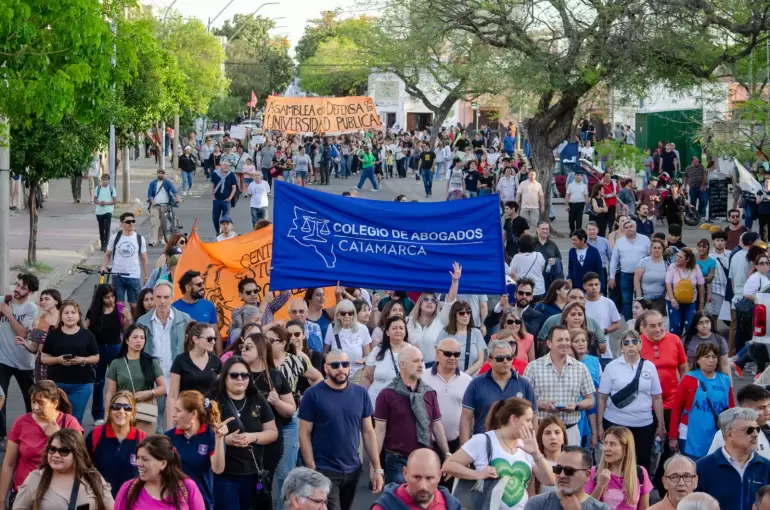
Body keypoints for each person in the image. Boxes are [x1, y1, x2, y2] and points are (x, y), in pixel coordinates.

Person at [298, 350, 384, 510]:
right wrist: (312, 470)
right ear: (326, 368)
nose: (341, 368)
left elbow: (368, 432)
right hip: (324, 470)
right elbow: (304, 434)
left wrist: (377, 468)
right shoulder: (313, 394)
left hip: (352, 469)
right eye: (335, 365)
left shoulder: (360, 393)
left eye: (345, 364)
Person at [444, 397, 556, 509]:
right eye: (528, 420)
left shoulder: (526, 446)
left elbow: (550, 480)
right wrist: (478, 474)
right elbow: (448, 465)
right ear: (514, 419)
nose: (531, 426)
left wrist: (536, 453)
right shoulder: (483, 440)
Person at [210, 356, 279, 510]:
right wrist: (225, 440)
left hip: (253, 473)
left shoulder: (257, 399)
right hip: (224, 473)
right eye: (234, 375)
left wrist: (252, 437)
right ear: (225, 376)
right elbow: (203, 436)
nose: (240, 378)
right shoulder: (213, 401)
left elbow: (273, 433)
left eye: (245, 375)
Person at [0, 380, 82, 509]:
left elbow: (79, 460)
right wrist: (1, 500)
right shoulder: (21, 423)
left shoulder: (69, 423)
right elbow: (9, 463)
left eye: (41, 403)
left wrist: (57, 436)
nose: (35, 407)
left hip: (57, 497)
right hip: (24, 494)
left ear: (54, 403)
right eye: (33, 402)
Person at [374, 345, 449, 484]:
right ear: (402, 364)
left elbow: (437, 426)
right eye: (415, 361)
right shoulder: (387, 394)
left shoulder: (429, 392)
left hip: (425, 459)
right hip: (397, 460)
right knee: (398, 504)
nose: (421, 365)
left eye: (421, 361)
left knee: (424, 504)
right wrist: (375, 466)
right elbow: (379, 431)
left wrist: (447, 454)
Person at [597, 330, 665, 473]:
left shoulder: (650, 367)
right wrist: (599, 426)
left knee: (641, 464)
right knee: (615, 462)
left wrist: (661, 425)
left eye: (634, 342)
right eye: (626, 343)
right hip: (616, 423)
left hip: (643, 425)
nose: (631, 346)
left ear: (640, 345)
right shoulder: (612, 366)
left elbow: (657, 397)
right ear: (621, 347)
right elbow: (602, 397)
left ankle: (640, 494)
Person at [638, 310, 688, 492]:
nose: (658, 329)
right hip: (645, 404)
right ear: (643, 328)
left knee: (670, 445)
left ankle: (662, 481)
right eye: (652, 326)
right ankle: (641, 484)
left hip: (672, 402)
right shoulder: (637, 343)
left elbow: (683, 367)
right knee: (644, 448)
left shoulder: (674, 340)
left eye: (660, 324)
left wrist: (684, 393)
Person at [524, 326, 595, 446]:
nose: (565, 343)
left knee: (571, 464)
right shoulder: (533, 367)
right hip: (542, 429)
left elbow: (590, 400)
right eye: (560, 340)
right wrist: (542, 405)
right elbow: (523, 401)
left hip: (570, 430)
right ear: (549, 343)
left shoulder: (580, 368)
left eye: (567, 340)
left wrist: (576, 406)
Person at [13, 429, 113, 510]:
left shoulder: (93, 478)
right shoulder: (36, 478)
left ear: (77, 454)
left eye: (64, 451)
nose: (56, 455)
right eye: (52, 449)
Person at [166, 390, 231, 510]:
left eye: (178, 410)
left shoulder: (211, 436)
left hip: (201, 502)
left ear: (194, 414)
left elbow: (218, 469)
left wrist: (219, 439)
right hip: (172, 503)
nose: (173, 414)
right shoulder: (168, 438)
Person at [695, 407, 770, 510]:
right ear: (729, 434)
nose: (756, 434)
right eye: (749, 430)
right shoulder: (702, 468)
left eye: (757, 429)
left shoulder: (767, 467)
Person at [669, 342, 734, 460]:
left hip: (716, 434)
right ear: (698, 360)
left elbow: (731, 410)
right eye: (707, 357)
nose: (711, 360)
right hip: (689, 435)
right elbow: (676, 409)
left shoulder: (725, 380)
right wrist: (673, 436)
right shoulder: (688, 379)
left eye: (714, 357)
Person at [41, 300, 99, 423]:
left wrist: (83, 360)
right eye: (66, 313)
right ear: (61, 316)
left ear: (79, 316)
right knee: (55, 419)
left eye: (73, 312)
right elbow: (44, 358)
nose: (70, 315)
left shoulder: (87, 335)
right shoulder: (53, 334)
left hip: (81, 385)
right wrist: (58, 359)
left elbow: (96, 357)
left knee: (75, 419)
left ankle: (73, 442)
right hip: (56, 385)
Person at [0, 273, 39, 447]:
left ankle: (32, 433)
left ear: (29, 291)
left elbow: (23, 333)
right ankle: (1, 435)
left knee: (30, 399)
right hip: (3, 359)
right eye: (17, 285)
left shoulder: (31, 309)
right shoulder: (3, 300)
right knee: (1, 397)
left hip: (24, 361)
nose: (17, 289)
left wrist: (8, 314)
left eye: (22, 287)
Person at [114, 435, 205, 509]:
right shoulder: (128, 489)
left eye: (145, 459)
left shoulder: (187, 487)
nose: (138, 464)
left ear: (163, 464)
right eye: (137, 458)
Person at [105, 324, 166, 434]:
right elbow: (111, 392)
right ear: (127, 340)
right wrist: (107, 416)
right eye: (135, 337)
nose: (139, 341)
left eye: (142, 338)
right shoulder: (117, 363)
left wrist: (148, 393)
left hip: (145, 412)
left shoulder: (151, 362)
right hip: (122, 411)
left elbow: (162, 388)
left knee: (143, 445)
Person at [86, 391, 146, 498]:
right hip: (100, 499)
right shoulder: (96, 435)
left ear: (133, 414)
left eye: (127, 407)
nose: (121, 411)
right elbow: (84, 466)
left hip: (131, 500)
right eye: (116, 407)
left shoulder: (142, 438)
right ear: (109, 411)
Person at [86, 284, 131, 425]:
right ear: (101, 298)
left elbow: (125, 331)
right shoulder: (93, 312)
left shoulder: (119, 309)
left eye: (112, 296)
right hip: (98, 349)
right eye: (107, 297)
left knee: (118, 381)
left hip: (115, 348)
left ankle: (118, 411)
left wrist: (127, 319)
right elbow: (87, 331)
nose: (111, 300)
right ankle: (98, 414)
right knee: (98, 383)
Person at [136, 280, 192, 392]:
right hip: (153, 381)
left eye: (166, 297)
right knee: (155, 410)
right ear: (154, 298)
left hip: (179, 379)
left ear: (172, 298)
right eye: (159, 297)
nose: (162, 301)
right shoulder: (142, 322)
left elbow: (192, 347)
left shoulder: (185, 320)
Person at [166, 322, 222, 429]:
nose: (213, 342)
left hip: (209, 414)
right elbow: (172, 395)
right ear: (195, 339)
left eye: (214, 338)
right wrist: (170, 425)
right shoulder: (181, 360)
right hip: (186, 413)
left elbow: (220, 392)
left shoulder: (216, 361)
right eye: (209, 339)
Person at [421, 338, 472, 456]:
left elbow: (470, 416)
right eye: (448, 354)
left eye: (457, 354)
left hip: (458, 442)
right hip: (428, 443)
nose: (453, 358)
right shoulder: (423, 378)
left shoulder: (467, 381)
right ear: (438, 354)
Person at [585, 426, 653, 510]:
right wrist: (600, 485)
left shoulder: (640, 472)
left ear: (626, 449)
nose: (607, 448)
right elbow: (587, 508)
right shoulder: (594, 472)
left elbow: (644, 508)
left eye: (613, 444)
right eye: (605, 443)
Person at [523, 446, 611, 510]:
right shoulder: (537, 504)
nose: (561, 475)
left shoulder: (601, 508)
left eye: (569, 471)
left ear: (587, 475)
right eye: (558, 469)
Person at [373, 448, 462, 510]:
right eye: (416, 477)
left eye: (429, 478)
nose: (422, 486)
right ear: (405, 473)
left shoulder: (452, 505)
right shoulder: (384, 507)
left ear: (439, 475)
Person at [361, 316, 412, 409]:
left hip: (402, 404)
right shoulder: (377, 350)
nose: (398, 330)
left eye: (401, 328)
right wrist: (361, 400)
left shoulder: (413, 351)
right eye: (394, 328)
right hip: (375, 403)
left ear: (405, 332)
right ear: (387, 332)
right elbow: (367, 376)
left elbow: (419, 379)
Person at [709, 384, 770, 457]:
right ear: (745, 408)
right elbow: (711, 464)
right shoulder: (726, 434)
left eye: (768, 406)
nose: (768, 412)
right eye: (762, 408)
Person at [101, 212, 149, 304]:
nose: (131, 223)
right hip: (117, 276)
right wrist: (103, 266)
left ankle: (134, 319)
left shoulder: (140, 239)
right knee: (119, 304)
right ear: (122, 224)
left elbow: (144, 258)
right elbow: (107, 254)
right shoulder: (114, 238)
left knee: (134, 305)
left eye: (133, 221)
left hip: (133, 276)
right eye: (128, 222)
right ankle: (122, 319)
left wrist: (146, 277)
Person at [609, 220, 651, 320]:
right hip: (625, 274)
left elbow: (650, 256)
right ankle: (629, 323)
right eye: (626, 227)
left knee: (642, 300)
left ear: (635, 227)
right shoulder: (619, 241)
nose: (629, 229)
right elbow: (614, 260)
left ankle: (642, 322)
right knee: (626, 300)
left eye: (631, 226)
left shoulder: (645, 239)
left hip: (642, 275)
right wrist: (611, 277)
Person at [323, 299, 371, 381]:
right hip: (337, 373)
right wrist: (333, 361)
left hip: (357, 374)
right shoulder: (332, 328)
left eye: (350, 313)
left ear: (354, 314)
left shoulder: (363, 329)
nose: (347, 316)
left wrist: (363, 359)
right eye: (343, 313)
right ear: (338, 315)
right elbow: (324, 352)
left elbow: (368, 355)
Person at [436, 300, 487, 376]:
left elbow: (480, 360)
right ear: (454, 315)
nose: (466, 315)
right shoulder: (444, 332)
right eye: (461, 313)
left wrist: (464, 375)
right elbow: (438, 357)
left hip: (471, 378)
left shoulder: (476, 332)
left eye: (468, 312)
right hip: (448, 377)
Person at [665, 247, 706, 337]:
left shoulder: (695, 267)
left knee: (690, 325)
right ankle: (675, 346)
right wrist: (672, 299)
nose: (677, 258)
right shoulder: (672, 267)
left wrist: (701, 303)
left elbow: (701, 285)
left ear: (687, 259)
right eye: (677, 256)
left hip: (691, 302)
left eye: (680, 257)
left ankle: (688, 347)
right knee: (675, 325)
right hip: (674, 301)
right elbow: (668, 283)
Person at [583, 272, 620, 362]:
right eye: (590, 285)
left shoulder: (608, 303)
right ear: (584, 286)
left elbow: (617, 324)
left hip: (605, 352)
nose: (594, 287)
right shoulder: (581, 303)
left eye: (596, 284)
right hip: (584, 352)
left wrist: (605, 331)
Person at [406, 292, 448, 367]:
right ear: (420, 303)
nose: (429, 302)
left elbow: (449, 303)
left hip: (434, 366)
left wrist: (455, 282)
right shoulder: (408, 321)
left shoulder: (441, 319)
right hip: (411, 365)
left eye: (433, 301)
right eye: (426, 299)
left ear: (436, 305)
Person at [634, 239, 667, 316]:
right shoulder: (644, 262)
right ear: (651, 249)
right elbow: (636, 279)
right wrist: (639, 297)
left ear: (662, 250)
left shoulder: (666, 264)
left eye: (659, 248)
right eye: (654, 248)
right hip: (646, 299)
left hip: (660, 300)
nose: (657, 250)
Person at [146, 169, 178, 247]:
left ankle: (160, 238)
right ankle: (153, 240)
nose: (160, 175)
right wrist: (152, 201)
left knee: (162, 223)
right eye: (159, 173)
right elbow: (150, 194)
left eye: (162, 173)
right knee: (154, 222)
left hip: (165, 205)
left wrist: (178, 198)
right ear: (157, 174)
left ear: (164, 174)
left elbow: (174, 191)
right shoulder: (153, 183)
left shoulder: (167, 183)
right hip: (155, 206)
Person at [509, 234, 547, 299]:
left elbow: (512, 273)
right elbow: (542, 269)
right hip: (539, 290)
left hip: (524, 291)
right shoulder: (539, 255)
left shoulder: (517, 257)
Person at [536, 417, 567, 493]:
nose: (553, 437)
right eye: (547, 433)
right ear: (541, 439)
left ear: (563, 438)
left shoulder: (571, 463)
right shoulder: (535, 464)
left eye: (557, 432)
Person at [211, 161, 237, 236]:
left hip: (226, 200)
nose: (227, 166)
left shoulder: (231, 174)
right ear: (221, 165)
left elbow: (234, 188)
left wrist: (230, 197)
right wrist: (213, 196)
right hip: (217, 199)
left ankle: (224, 232)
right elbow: (213, 185)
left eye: (228, 165)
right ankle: (217, 231)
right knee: (215, 217)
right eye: (225, 165)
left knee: (226, 218)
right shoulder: (215, 173)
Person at [94, 173, 117, 252]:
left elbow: (114, 201)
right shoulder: (98, 188)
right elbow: (95, 199)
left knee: (107, 227)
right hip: (99, 211)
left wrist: (106, 203)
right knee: (101, 228)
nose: (105, 182)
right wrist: (99, 202)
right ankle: (102, 242)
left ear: (109, 180)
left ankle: (106, 244)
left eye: (106, 180)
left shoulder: (111, 189)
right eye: (103, 180)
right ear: (101, 180)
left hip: (108, 210)